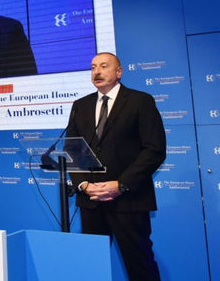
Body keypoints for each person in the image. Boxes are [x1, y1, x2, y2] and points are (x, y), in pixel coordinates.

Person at [66, 52, 166, 281]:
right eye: (93, 67)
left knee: (140, 265)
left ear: (119, 72)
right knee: (92, 267)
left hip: (129, 200)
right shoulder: (80, 105)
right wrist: (83, 184)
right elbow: (72, 149)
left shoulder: (140, 101)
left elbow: (154, 150)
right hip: (91, 201)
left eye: (103, 66)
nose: (97, 72)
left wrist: (121, 185)